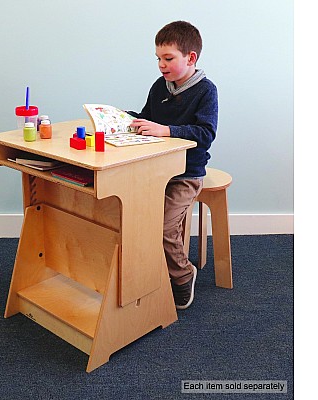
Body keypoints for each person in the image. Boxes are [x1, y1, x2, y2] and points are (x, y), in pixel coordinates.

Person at [128, 21, 218, 310]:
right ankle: (143, 273)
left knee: (163, 227)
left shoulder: (205, 91)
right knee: (133, 216)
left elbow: (205, 133)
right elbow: (147, 117)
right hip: (154, 170)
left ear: (190, 58)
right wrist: (124, 118)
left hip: (186, 174)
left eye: (168, 59)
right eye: (158, 58)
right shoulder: (159, 86)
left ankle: (181, 274)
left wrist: (166, 130)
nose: (161, 65)